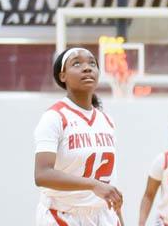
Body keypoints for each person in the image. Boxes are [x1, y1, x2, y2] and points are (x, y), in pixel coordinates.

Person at [34, 48, 123, 226]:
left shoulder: (106, 120)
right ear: (62, 76)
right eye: (76, 63)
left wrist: (119, 217)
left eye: (92, 63)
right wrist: (92, 185)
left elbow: (108, 182)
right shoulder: (54, 117)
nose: (87, 68)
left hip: (103, 215)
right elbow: (42, 175)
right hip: (63, 214)